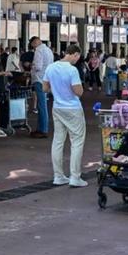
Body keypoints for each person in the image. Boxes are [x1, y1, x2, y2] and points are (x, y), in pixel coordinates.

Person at [44, 44, 86, 188]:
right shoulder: (72, 70)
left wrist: (57, 90)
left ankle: (58, 176)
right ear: (75, 54)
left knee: (58, 141)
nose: (77, 60)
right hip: (73, 108)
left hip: (57, 107)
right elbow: (79, 92)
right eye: (77, 57)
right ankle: (75, 177)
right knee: (77, 141)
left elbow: (45, 88)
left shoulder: (50, 67)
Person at [28, 35, 54, 138]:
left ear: (34, 42)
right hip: (46, 79)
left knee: (41, 105)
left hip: (39, 80)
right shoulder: (49, 50)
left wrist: (31, 66)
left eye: (32, 45)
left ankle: (43, 129)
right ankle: (40, 128)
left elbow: (38, 67)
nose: (33, 47)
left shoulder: (38, 51)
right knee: (42, 105)